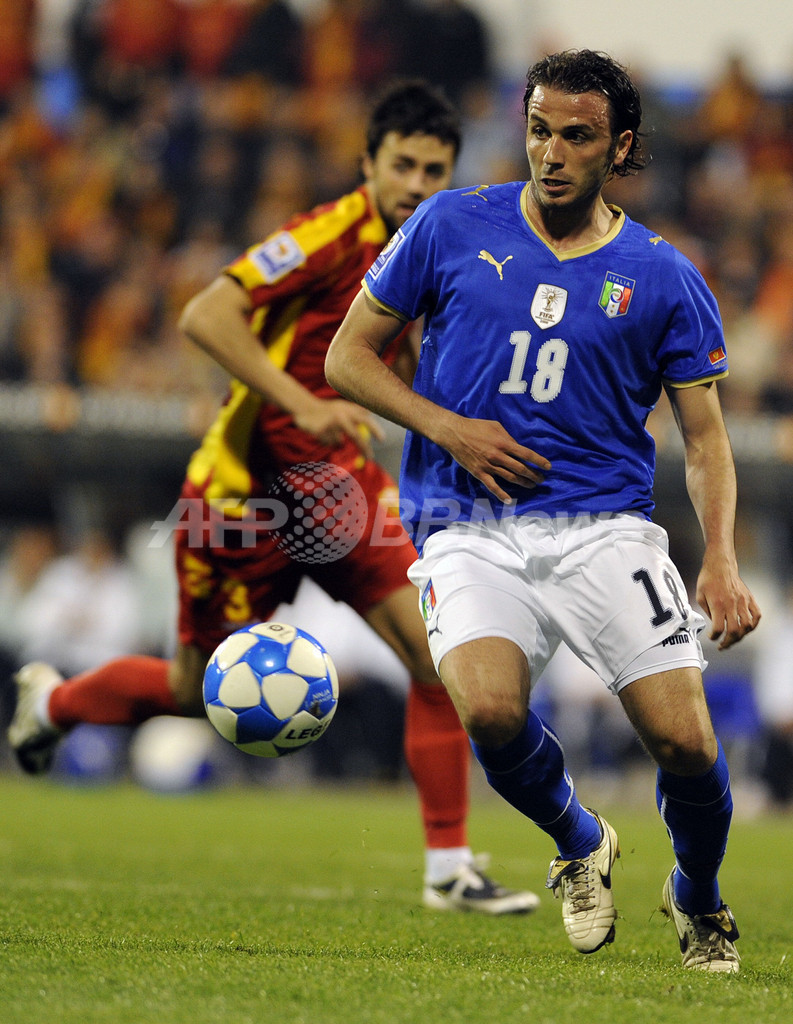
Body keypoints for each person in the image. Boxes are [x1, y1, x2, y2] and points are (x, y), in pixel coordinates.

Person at [8, 79, 538, 916]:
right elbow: (204, 315)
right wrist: (302, 402)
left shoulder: (428, 247)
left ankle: (449, 868)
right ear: (367, 162)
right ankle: (54, 702)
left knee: (436, 658)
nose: (415, 184)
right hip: (243, 498)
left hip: (338, 493)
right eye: (401, 165)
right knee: (192, 691)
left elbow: (390, 351)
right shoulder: (326, 234)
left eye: (433, 170)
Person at [325, 50, 761, 971]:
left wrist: (718, 557)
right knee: (487, 711)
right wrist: (449, 428)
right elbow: (346, 358)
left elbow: (705, 440)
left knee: (685, 741)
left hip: (604, 527)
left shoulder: (662, 275)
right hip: (466, 524)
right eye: (537, 130)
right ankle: (578, 839)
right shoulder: (450, 224)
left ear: (620, 147)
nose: (550, 153)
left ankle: (697, 893)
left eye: (576, 136)